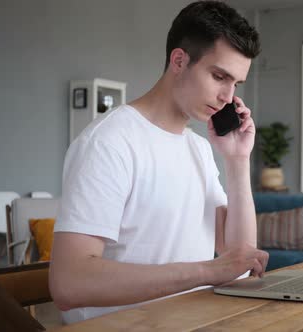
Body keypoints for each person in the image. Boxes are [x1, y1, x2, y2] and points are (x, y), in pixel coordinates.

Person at [49, 1, 269, 324]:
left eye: (236, 84)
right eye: (220, 76)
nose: (228, 95)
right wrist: (207, 271)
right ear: (179, 61)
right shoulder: (109, 143)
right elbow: (69, 283)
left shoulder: (198, 148)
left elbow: (239, 253)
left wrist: (237, 161)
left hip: (191, 322)